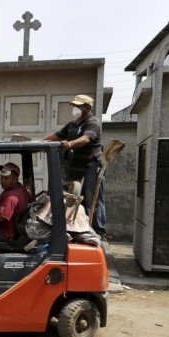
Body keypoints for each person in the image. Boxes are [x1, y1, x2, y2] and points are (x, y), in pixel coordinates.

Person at [43, 94, 106, 236]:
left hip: (91, 164)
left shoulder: (92, 122)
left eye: (79, 106)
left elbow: (86, 139)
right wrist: (40, 142)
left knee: (92, 197)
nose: (75, 109)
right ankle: (79, 226)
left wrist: (69, 144)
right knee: (74, 196)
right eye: (75, 106)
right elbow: (57, 135)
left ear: (87, 108)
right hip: (76, 164)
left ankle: (98, 229)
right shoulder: (73, 125)